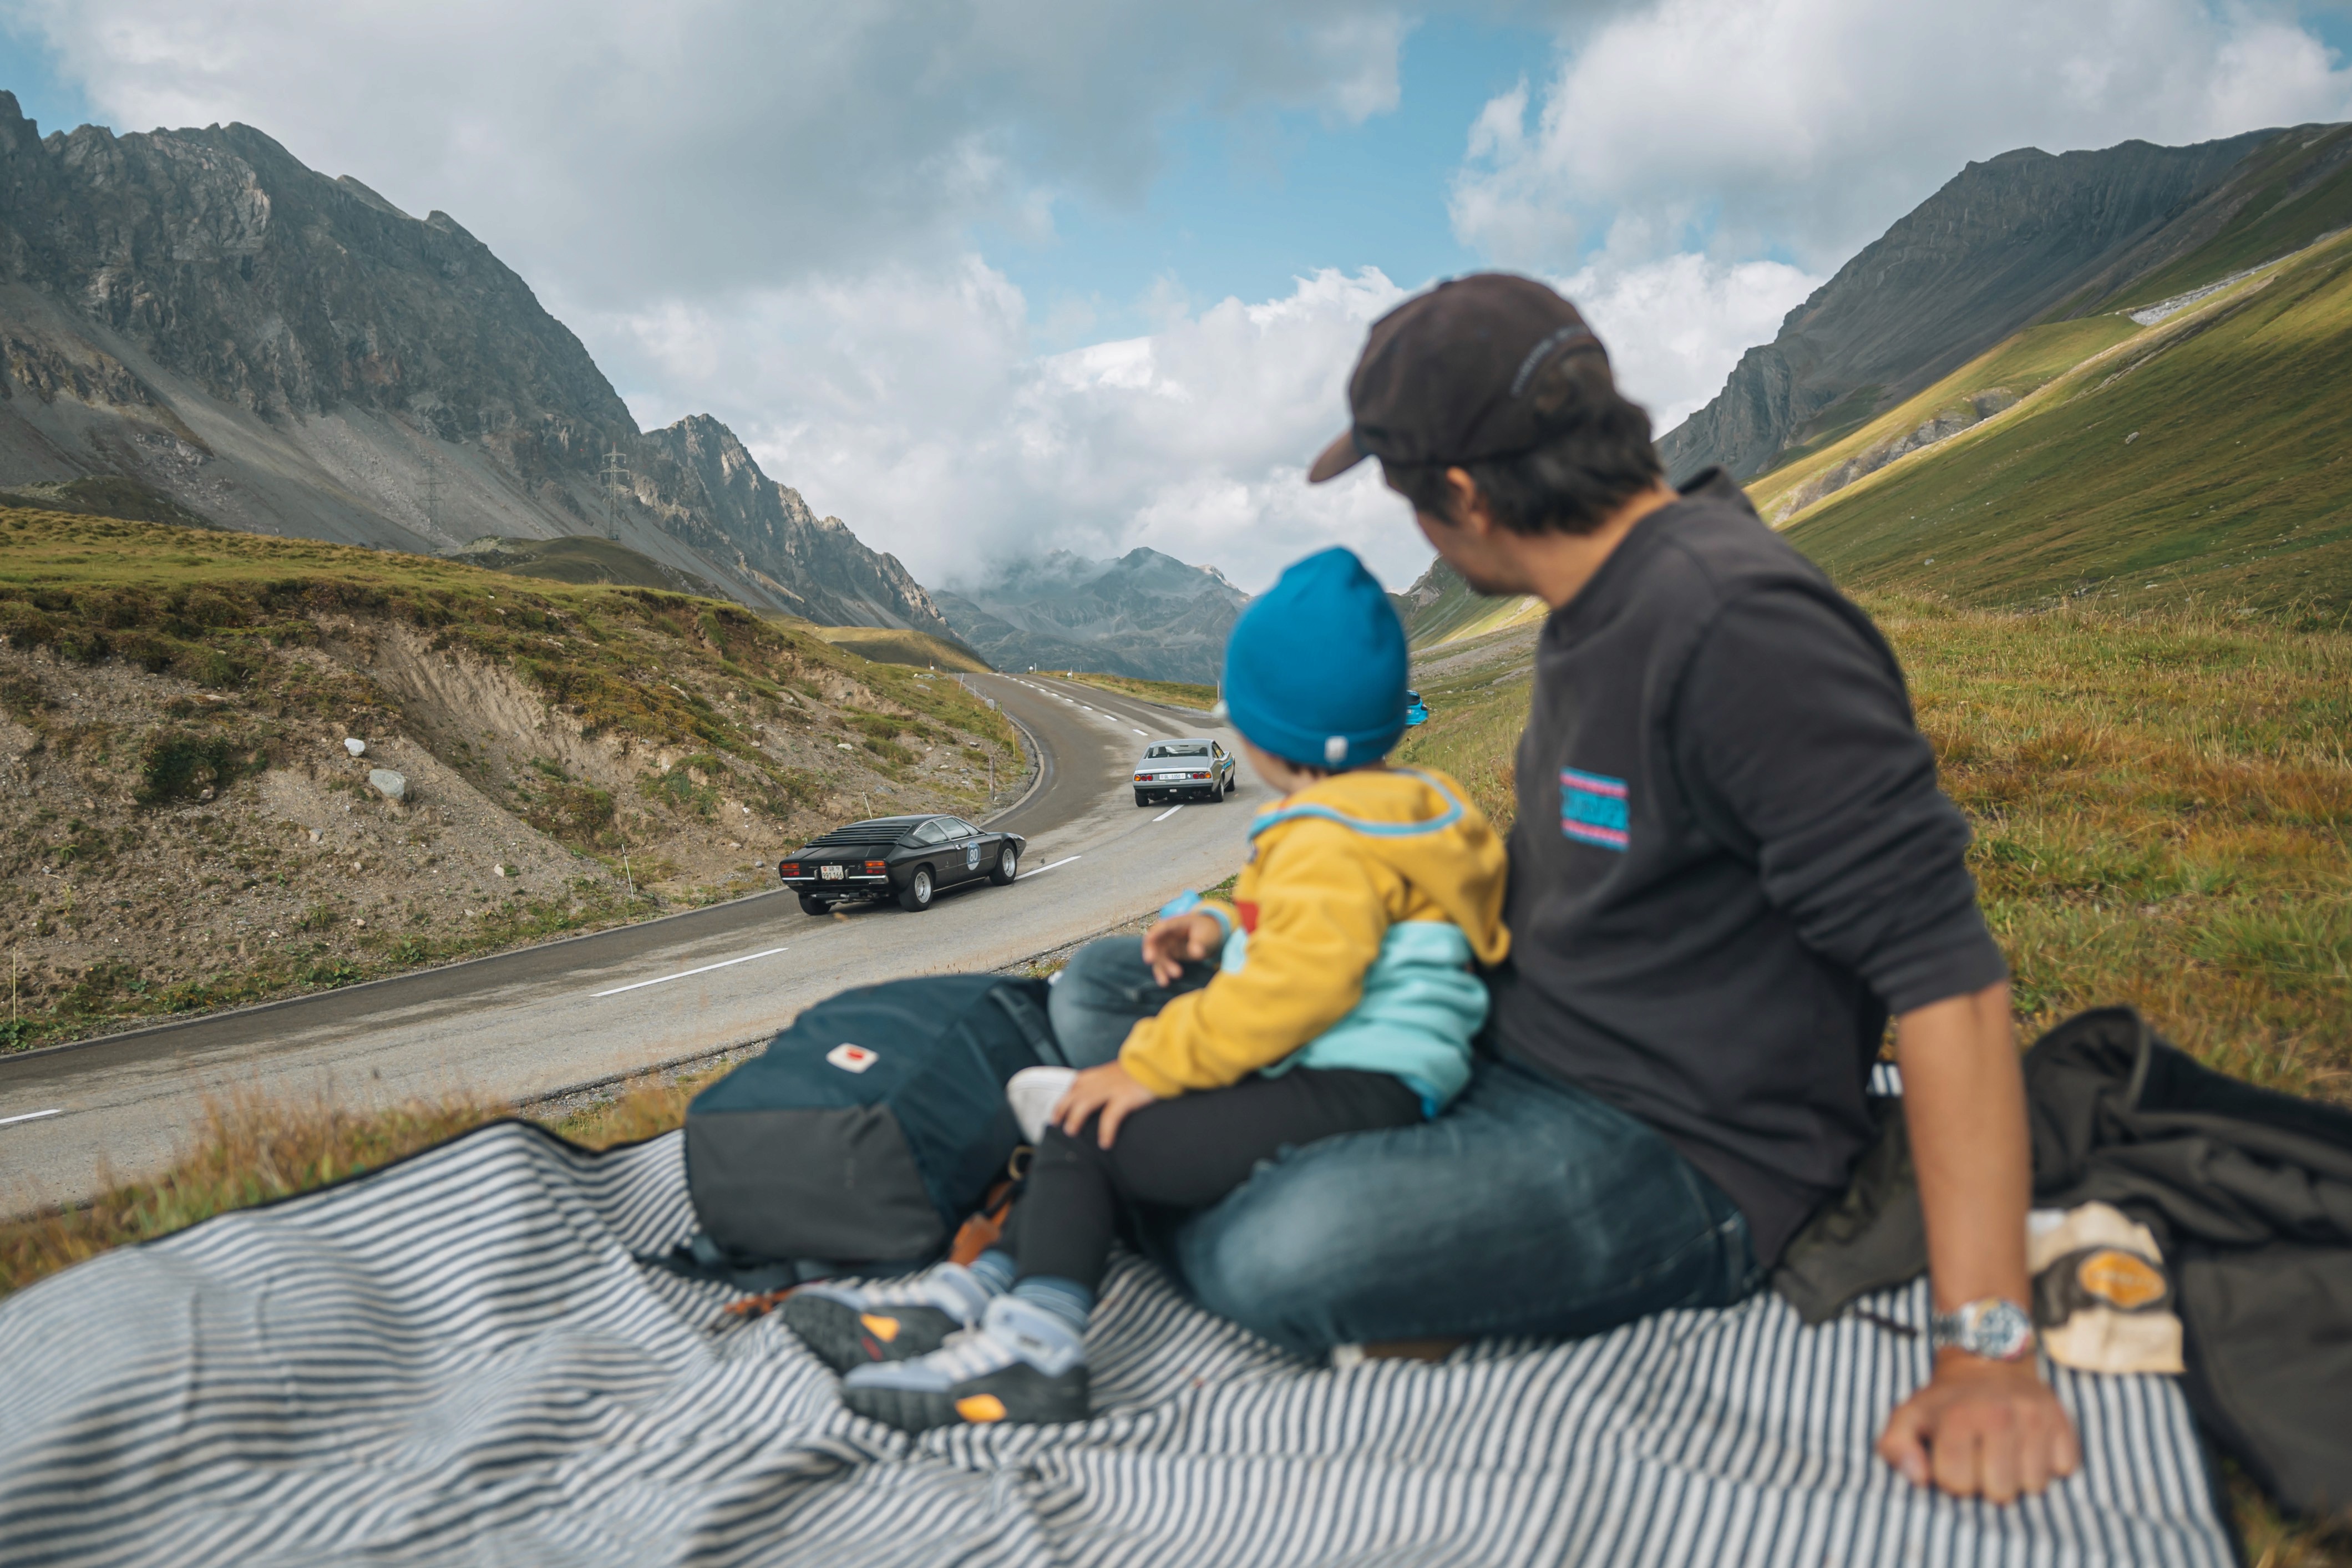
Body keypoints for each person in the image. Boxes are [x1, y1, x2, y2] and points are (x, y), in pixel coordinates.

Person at [1040, 275, 2069, 1503]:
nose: (1414, 528)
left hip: (1676, 1137)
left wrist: (1988, 1354)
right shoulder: (1592, 604)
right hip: (1501, 1034)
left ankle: (1124, 1168)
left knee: (1286, 1253)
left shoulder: (1738, 626)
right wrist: (1268, 927)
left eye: (1408, 494)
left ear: (1465, 495)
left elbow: (1947, 982)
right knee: (1106, 983)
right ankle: (1160, 1153)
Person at [783, 547, 1510, 1432]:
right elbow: (1367, 934)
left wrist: (1150, 1068)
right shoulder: (1416, 806)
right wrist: (1224, 927)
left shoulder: (1324, 838)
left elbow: (1297, 990)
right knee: (1088, 1129)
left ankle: (1032, 1351)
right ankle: (972, 1293)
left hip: (1354, 1078)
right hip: (1385, 1069)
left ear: (1271, 731)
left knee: (1093, 1125)